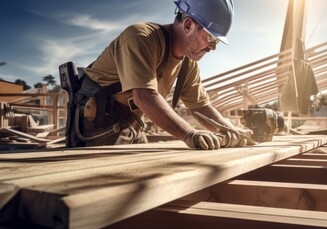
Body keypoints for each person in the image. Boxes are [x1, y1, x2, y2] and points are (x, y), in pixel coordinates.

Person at [68, 0, 254, 150]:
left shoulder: (187, 64)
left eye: (217, 42)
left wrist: (233, 130)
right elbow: (144, 97)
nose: (213, 47)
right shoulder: (141, 38)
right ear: (188, 25)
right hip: (98, 122)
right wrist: (189, 134)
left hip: (131, 123)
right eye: (211, 38)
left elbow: (200, 106)